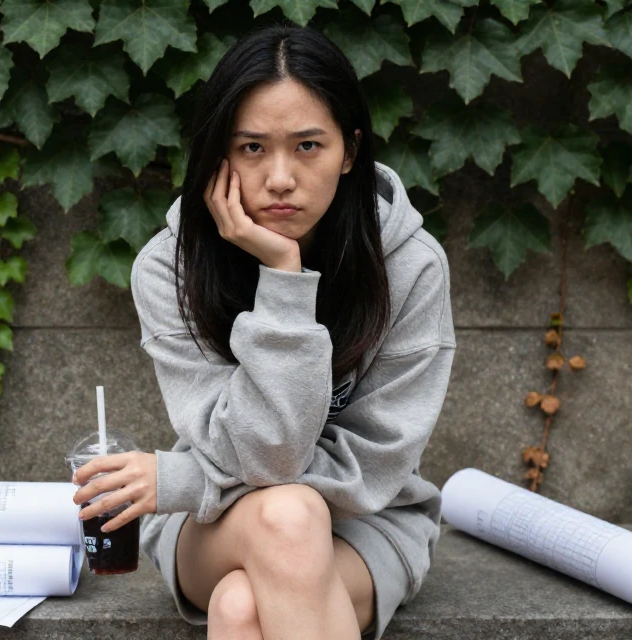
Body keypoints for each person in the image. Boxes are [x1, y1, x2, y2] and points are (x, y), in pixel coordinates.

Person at [70, 20, 456, 640]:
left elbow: (373, 466)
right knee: (287, 515)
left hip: (368, 525)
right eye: (252, 148)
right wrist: (284, 278)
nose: (280, 177)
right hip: (217, 524)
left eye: (308, 146)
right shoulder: (170, 268)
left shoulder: (409, 266)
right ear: (220, 154)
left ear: (351, 151)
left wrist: (181, 478)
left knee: (240, 608)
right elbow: (265, 455)